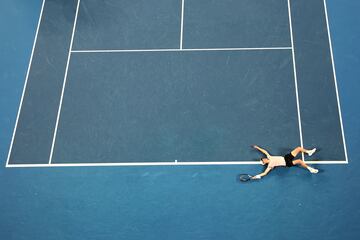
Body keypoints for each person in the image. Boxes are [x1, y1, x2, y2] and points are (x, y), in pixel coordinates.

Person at [251, 145, 318, 180]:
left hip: (286, 157)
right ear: (264, 162)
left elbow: (264, 151)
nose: (263, 158)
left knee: (298, 148)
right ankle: (310, 169)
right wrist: (257, 176)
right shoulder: (270, 166)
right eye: (262, 160)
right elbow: (265, 173)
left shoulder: (269, 157)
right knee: (299, 161)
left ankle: (309, 152)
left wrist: (257, 148)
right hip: (287, 163)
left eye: (262, 158)